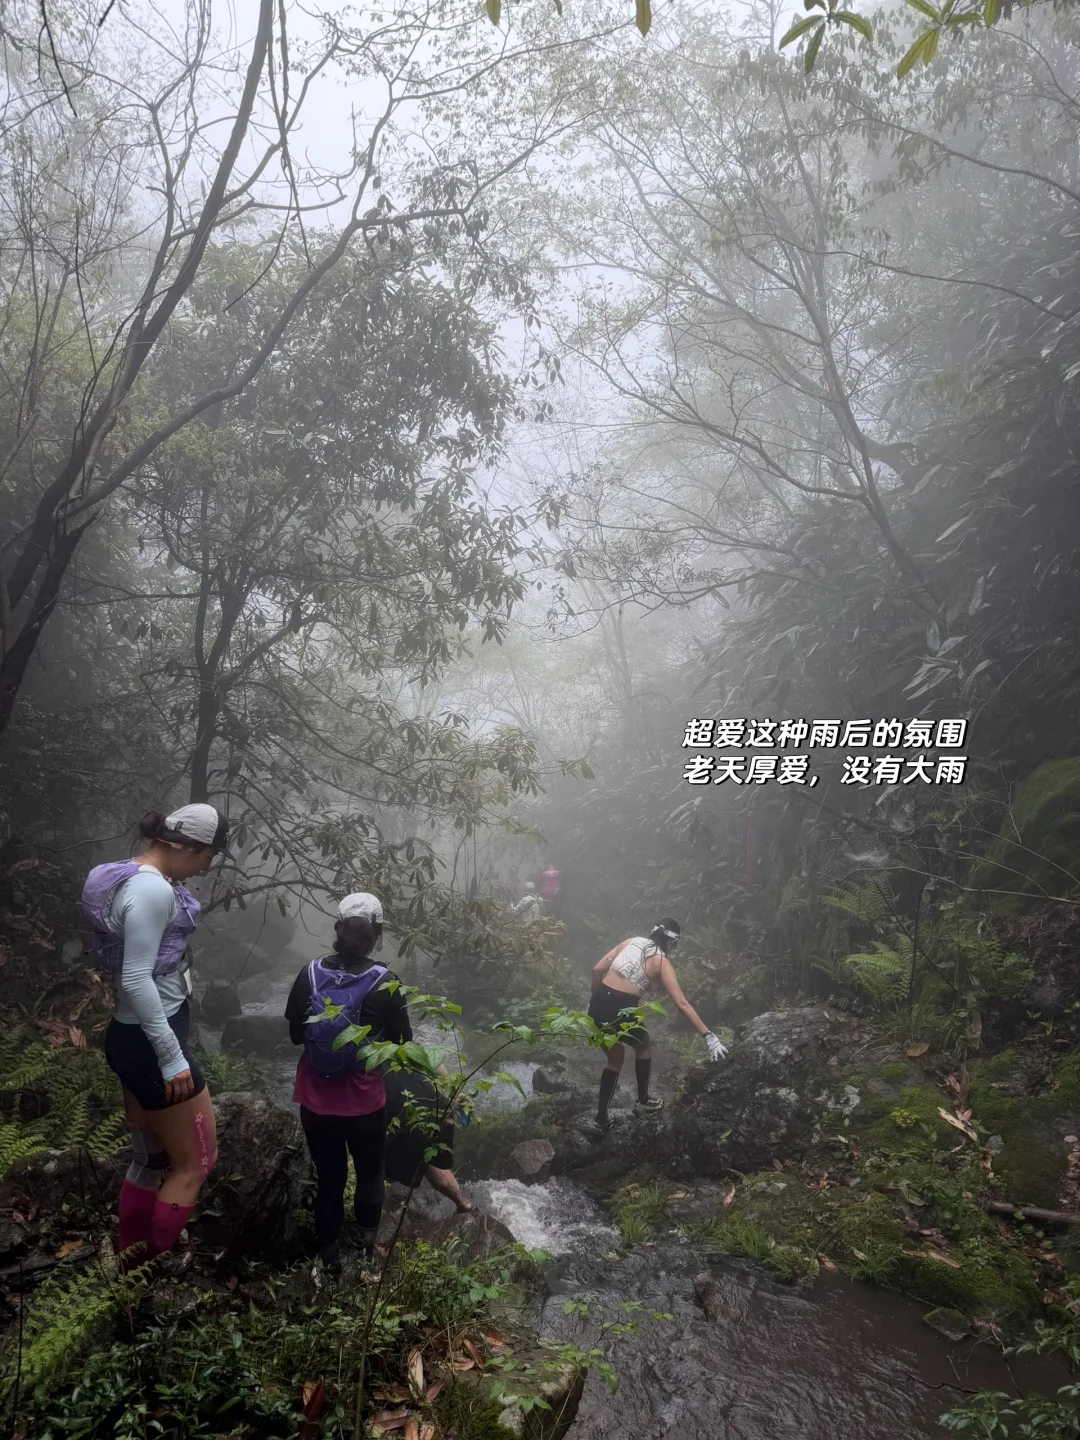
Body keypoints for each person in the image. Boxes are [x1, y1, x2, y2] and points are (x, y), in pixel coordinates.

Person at [82, 803, 231, 1266]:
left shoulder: (130, 876)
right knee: (196, 1163)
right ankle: (145, 1274)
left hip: (130, 1036)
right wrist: (171, 1056)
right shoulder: (151, 890)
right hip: (150, 1043)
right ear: (186, 847)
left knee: (150, 1161)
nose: (207, 867)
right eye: (209, 855)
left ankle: (130, 1261)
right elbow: (135, 978)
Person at [284, 892, 411, 1276]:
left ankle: (329, 1260)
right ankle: (367, 1252)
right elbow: (402, 1043)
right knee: (370, 1174)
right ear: (377, 934)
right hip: (364, 1104)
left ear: (338, 928)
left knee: (330, 1178)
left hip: (315, 1102)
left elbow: (295, 1035)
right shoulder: (387, 982)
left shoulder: (309, 974)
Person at [587, 918, 727, 1131]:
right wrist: (708, 1035)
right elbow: (681, 1003)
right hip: (621, 1008)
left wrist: (593, 1000)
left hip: (598, 1003)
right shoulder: (661, 962)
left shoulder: (630, 942)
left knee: (614, 1058)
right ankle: (642, 1100)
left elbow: (597, 970)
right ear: (671, 942)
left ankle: (601, 1118)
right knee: (643, 1045)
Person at [383, 1067, 475, 1213]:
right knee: (434, 1165)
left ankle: (388, 1214)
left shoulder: (364, 1059)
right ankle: (464, 1204)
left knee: (381, 1169)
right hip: (436, 1106)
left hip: (408, 1117)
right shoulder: (402, 1052)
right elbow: (434, 1063)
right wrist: (456, 1093)